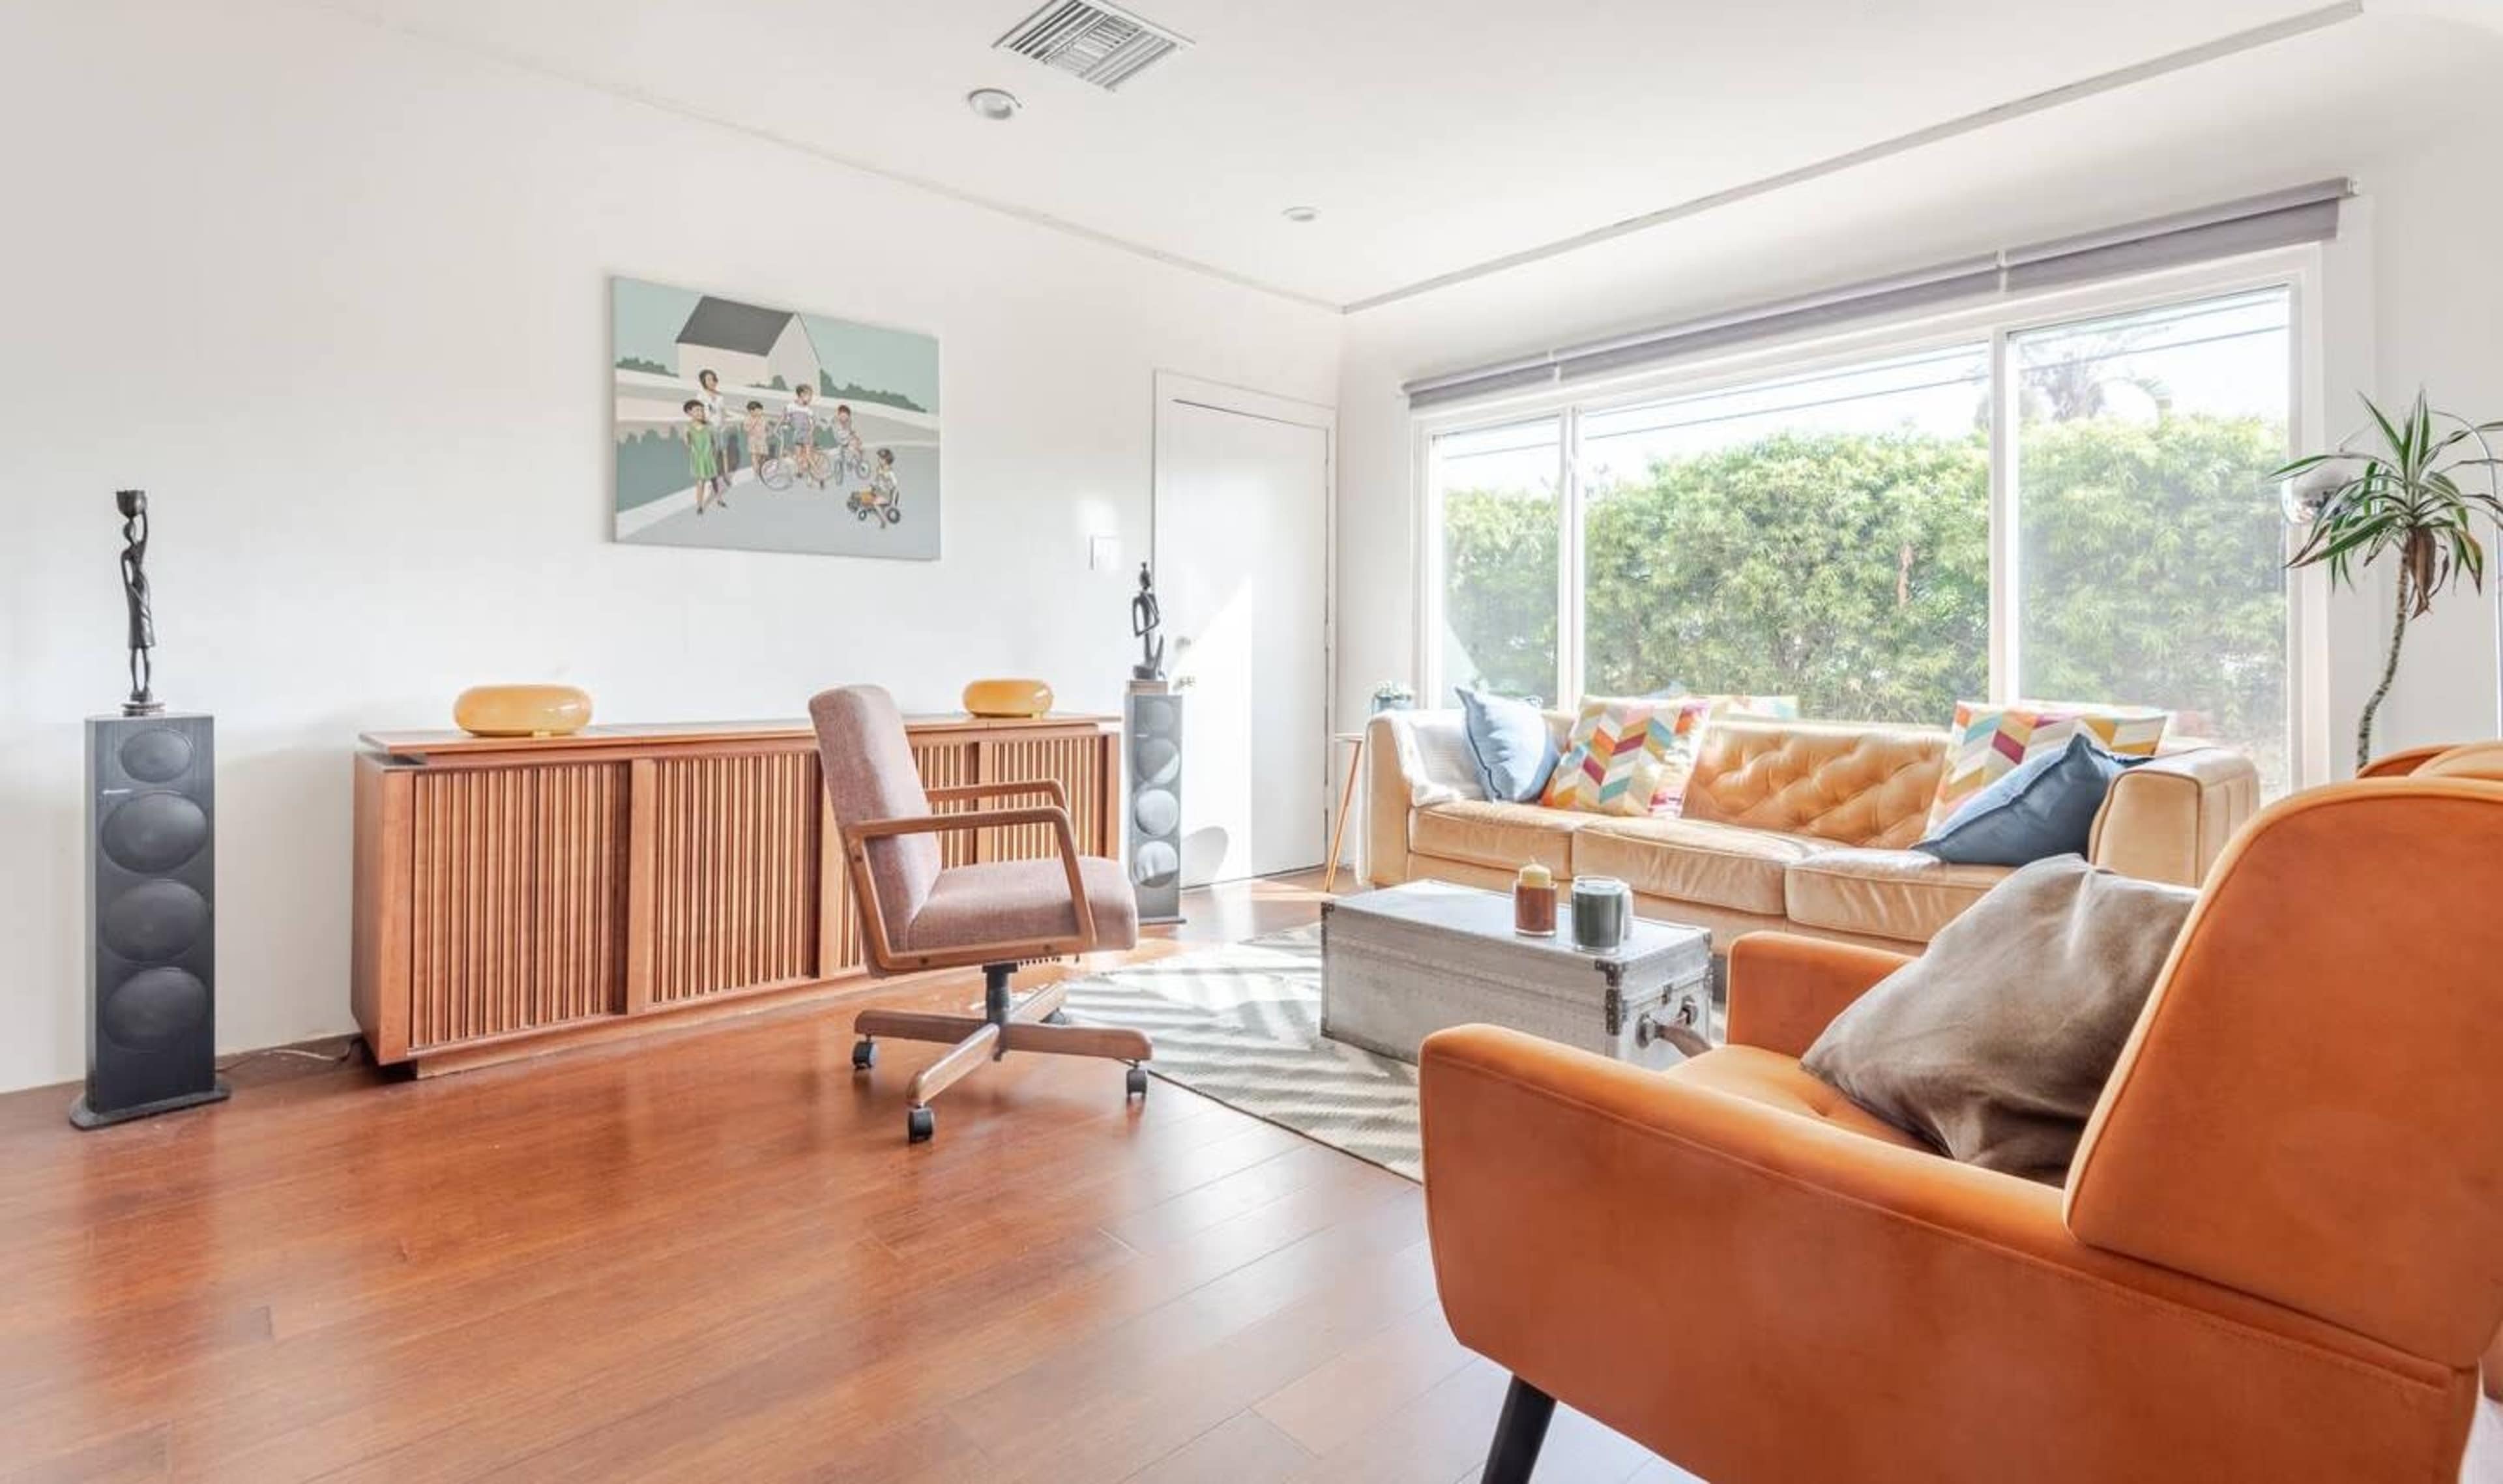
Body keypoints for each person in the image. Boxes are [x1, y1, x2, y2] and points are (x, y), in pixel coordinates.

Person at [682, 398, 725, 514]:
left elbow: (714, 443)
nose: (701, 413)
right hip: (698, 459)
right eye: (697, 410)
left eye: (702, 410)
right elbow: (687, 445)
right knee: (700, 483)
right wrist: (687, 439)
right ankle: (700, 505)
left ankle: (719, 499)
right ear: (689, 412)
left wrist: (715, 455)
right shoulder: (688, 428)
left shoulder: (709, 426)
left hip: (710, 458)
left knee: (714, 480)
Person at [783, 384, 827, 489]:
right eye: (809, 396)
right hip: (797, 435)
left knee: (808, 456)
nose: (811, 398)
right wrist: (783, 425)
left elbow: (814, 423)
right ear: (802, 395)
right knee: (798, 456)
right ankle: (801, 472)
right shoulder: (790, 407)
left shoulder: (808, 410)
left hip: (806, 435)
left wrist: (810, 433)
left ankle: (821, 477)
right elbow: (786, 418)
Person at [697, 370, 737, 483]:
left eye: (712, 379)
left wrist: (726, 422)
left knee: (723, 451)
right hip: (708, 427)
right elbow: (700, 412)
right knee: (712, 452)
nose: (711, 381)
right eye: (708, 379)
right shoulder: (701, 395)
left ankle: (725, 475)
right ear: (704, 381)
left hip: (720, 427)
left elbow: (723, 412)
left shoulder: (720, 396)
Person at [832, 403, 865, 481]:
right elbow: (831, 422)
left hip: (848, 440)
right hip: (840, 441)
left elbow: (853, 432)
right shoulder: (836, 422)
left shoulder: (850, 423)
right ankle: (844, 463)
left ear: (848, 416)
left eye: (845, 416)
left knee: (853, 449)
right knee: (841, 453)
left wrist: (855, 437)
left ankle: (858, 460)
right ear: (838, 415)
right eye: (841, 416)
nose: (843, 418)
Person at [742, 400, 772, 482]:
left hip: (762, 440)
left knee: (762, 456)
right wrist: (754, 423)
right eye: (758, 410)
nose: (760, 412)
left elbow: (768, 427)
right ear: (751, 411)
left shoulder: (763, 418)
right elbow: (746, 429)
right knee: (754, 456)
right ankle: (756, 473)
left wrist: (770, 432)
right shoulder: (748, 418)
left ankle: (760, 470)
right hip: (753, 440)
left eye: (761, 410)